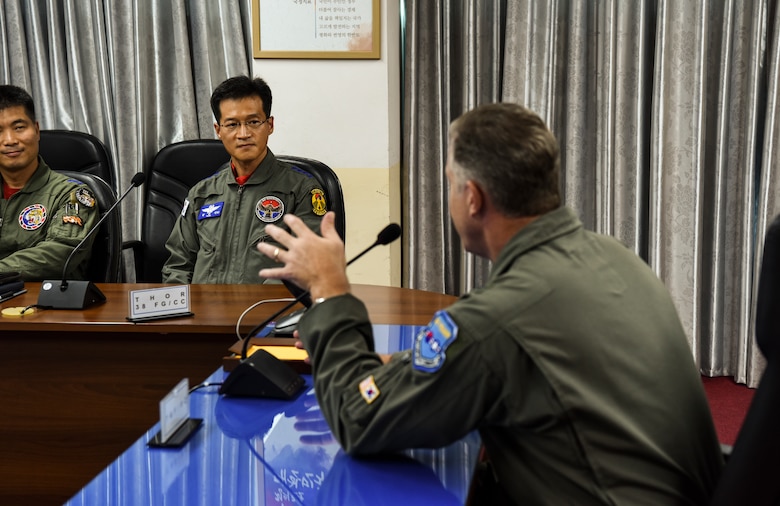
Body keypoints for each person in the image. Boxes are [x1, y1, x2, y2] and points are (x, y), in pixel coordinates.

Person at [254, 103, 724, 504]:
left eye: (451, 183)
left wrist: (330, 289)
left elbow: (359, 420)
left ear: (473, 198)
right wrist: (397, 367)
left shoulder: (500, 318)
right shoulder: (611, 256)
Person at [162, 75, 326, 284]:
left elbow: (308, 263)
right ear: (218, 131)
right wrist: (184, 311)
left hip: (266, 312)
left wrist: (260, 307)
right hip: (203, 312)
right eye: (232, 124)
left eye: (253, 122)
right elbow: (177, 265)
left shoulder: (301, 190)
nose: (243, 133)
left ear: (270, 125)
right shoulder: (201, 194)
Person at [0, 84, 100, 281]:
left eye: (19, 127)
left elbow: (60, 253)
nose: (10, 140)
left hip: (44, 304)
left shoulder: (72, 194)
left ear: (36, 130)